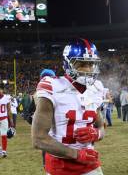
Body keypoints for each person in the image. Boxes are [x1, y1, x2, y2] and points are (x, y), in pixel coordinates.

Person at [32, 38, 105, 175]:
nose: (88, 69)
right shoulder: (52, 87)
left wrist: (96, 134)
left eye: (91, 64)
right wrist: (76, 154)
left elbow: (101, 127)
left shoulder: (96, 88)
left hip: (90, 164)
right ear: (68, 64)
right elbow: (38, 139)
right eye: (82, 64)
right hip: (59, 166)